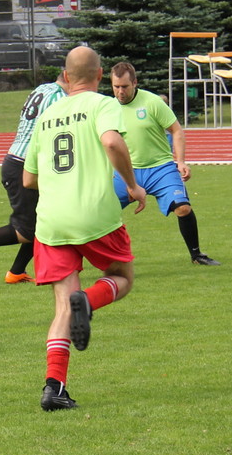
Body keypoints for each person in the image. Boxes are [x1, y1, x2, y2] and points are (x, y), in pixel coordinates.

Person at [22, 47, 146, 412]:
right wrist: (132, 185)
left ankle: (54, 388)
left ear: (65, 75)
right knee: (122, 278)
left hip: (51, 222)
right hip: (94, 213)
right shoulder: (102, 104)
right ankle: (88, 302)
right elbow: (111, 141)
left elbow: (28, 178)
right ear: (100, 74)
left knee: (63, 305)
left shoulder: (47, 115)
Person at [0, 71, 67, 284]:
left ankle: (16, 272)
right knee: (27, 230)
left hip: (20, 161)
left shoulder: (43, 89)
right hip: (24, 165)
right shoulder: (60, 98)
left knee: (45, 222)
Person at [107, 61, 220, 266]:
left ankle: (196, 255)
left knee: (183, 208)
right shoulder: (108, 108)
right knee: (100, 212)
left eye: (125, 86)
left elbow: (176, 130)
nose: (120, 91)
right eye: (116, 87)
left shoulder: (152, 102)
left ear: (135, 83)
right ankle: (94, 261)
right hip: (126, 172)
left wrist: (181, 161)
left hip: (161, 168)